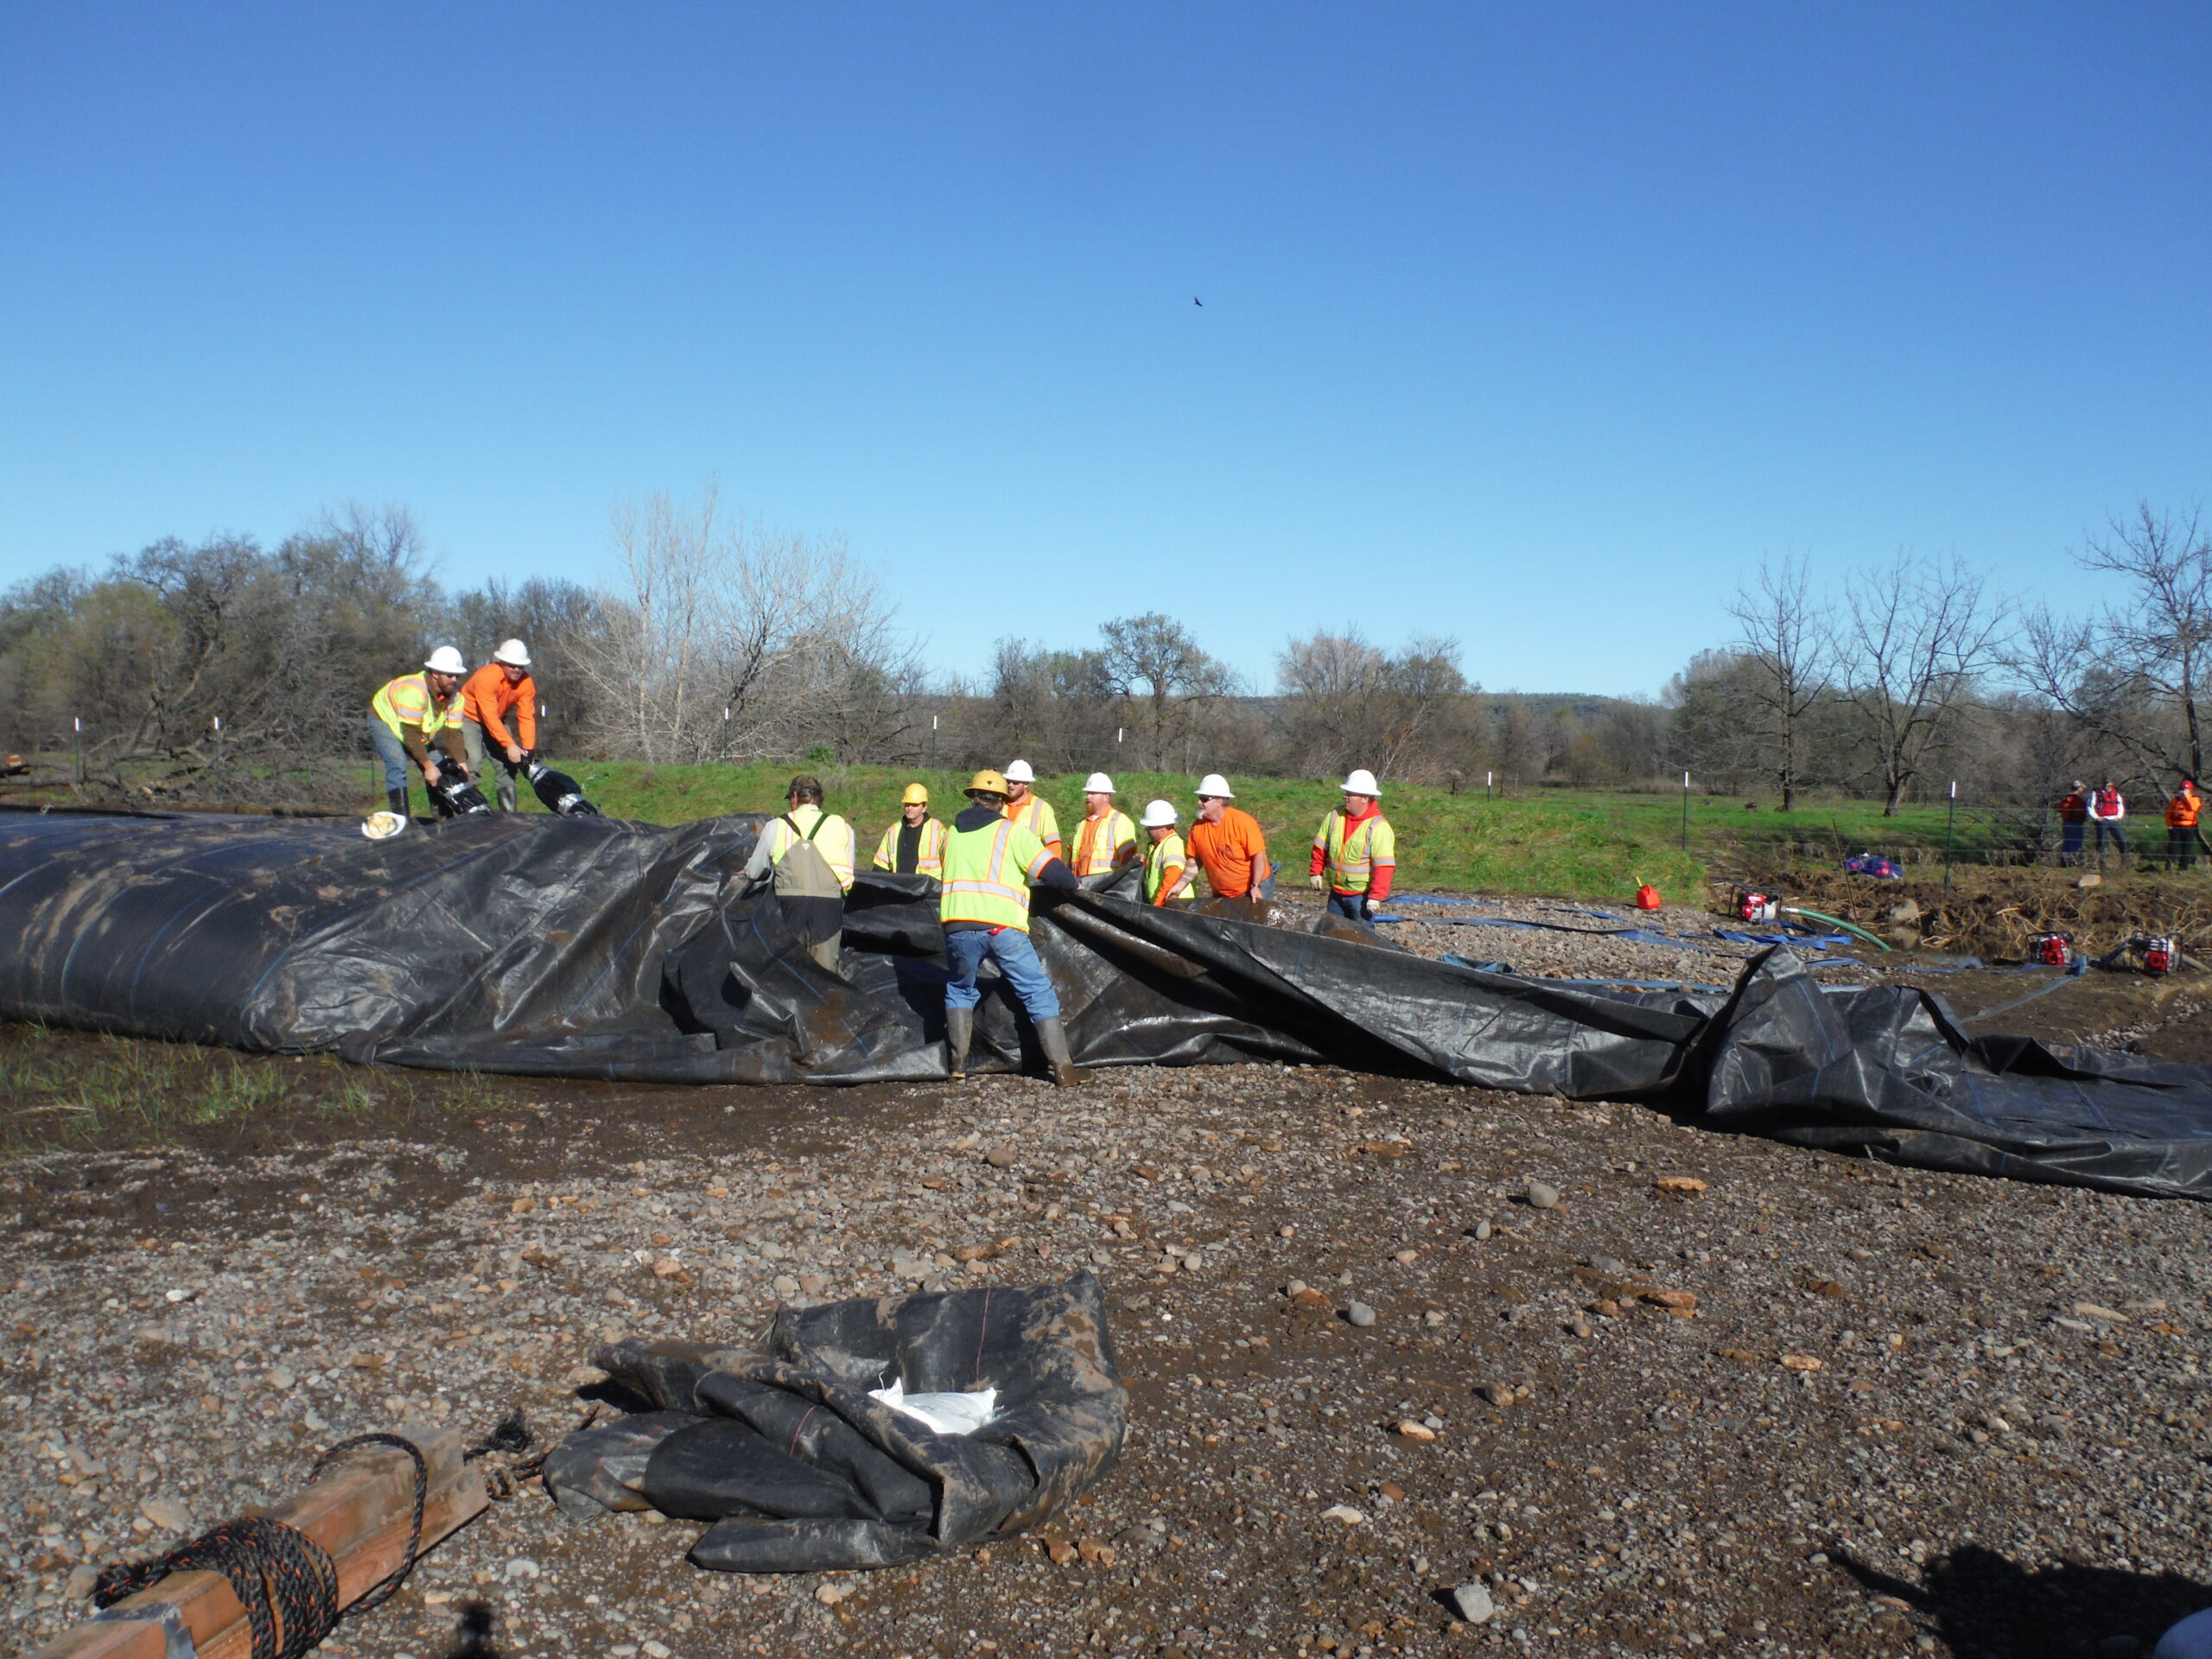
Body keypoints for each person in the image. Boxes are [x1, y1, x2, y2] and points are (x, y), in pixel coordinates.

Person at [939, 769, 1083, 1085]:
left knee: (960, 989)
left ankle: (958, 1065)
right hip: (1002, 927)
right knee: (1035, 991)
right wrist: (1074, 886)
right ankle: (1063, 1068)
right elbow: (1053, 873)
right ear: (1002, 802)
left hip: (957, 926)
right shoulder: (1011, 832)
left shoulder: (950, 833)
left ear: (973, 798)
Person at [744, 775, 858, 971]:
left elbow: (754, 872)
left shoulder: (775, 826)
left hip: (788, 908)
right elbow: (849, 871)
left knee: (789, 973)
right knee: (824, 975)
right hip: (828, 910)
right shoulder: (844, 828)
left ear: (795, 797)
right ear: (819, 799)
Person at [368, 646, 471, 818]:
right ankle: (401, 821)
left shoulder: (456, 698)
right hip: (384, 719)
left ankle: (443, 819)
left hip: (415, 730)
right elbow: (410, 735)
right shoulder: (414, 691)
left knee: (440, 768)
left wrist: (462, 763)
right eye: (449, 675)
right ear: (435, 673)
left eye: (457, 675)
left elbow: (454, 734)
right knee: (398, 764)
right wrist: (427, 766)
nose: (454, 680)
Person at [459, 639, 537, 812]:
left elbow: (526, 715)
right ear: (502, 662)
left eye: (520, 666)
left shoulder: (526, 683)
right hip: (469, 718)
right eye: (511, 665)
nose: (516, 669)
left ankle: (508, 815)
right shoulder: (486, 677)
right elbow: (488, 716)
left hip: (496, 719)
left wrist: (528, 748)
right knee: (474, 761)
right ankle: (471, 811)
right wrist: (509, 745)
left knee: (508, 764)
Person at [1309, 768, 1396, 921]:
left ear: (1365, 798)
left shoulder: (1379, 827)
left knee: (1362, 937)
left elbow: (1384, 866)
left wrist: (1376, 896)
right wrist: (1316, 871)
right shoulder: (1335, 816)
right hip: (1336, 893)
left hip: (1360, 897)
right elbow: (1320, 847)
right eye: (1346, 793)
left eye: (1351, 794)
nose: (1346, 797)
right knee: (1333, 933)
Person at [1185, 772, 1271, 900]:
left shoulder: (1242, 822)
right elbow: (1195, 861)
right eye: (1199, 797)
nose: (1199, 802)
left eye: (1204, 799)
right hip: (1222, 894)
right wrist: (1179, 886)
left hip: (1251, 889)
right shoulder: (1197, 826)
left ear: (1220, 800)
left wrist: (1256, 886)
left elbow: (1259, 855)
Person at [1066, 772, 1137, 879]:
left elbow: (1127, 861)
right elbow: (1073, 859)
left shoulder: (1120, 822)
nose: (1088, 797)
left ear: (1106, 796)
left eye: (1093, 793)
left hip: (1105, 888)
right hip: (1079, 887)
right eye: (1088, 793)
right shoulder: (1082, 824)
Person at [871, 782, 946, 876]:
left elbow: (948, 864)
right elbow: (880, 867)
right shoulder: (894, 830)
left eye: (914, 805)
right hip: (898, 888)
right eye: (907, 804)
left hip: (929, 889)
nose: (909, 808)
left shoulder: (937, 829)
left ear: (924, 807)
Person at [1001, 759, 1064, 862]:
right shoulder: (999, 805)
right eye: (1008, 781)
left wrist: (1052, 875)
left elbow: (1054, 845)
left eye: (1015, 782)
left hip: (1029, 870)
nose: (1010, 785)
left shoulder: (1042, 808)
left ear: (1026, 784)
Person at [1140, 799, 1195, 906]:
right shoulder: (1160, 844)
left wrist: (1158, 904)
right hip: (1170, 906)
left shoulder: (1173, 843)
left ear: (1162, 827)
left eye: (1150, 827)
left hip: (1176, 907)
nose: (1147, 830)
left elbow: (1172, 876)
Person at [2088, 777, 2128, 869]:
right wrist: (2096, 817)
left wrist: (2119, 816)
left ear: (2112, 784)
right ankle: (2101, 864)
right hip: (2103, 821)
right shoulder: (2096, 793)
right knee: (2101, 842)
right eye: (2106, 784)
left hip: (2114, 820)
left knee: (2122, 840)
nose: (2107, 786)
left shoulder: (2116, 794)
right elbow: (2090, 806)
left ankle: (2125, 863)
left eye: (2109, 784)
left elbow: (2120, 806)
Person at [2168, 779, 2202, 872]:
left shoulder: (2195, 799)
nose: (2183, 791)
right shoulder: (2175, 800)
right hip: (2176, 827)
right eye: (2182, 789)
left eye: (2186, 790)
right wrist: (2169, 825)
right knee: (2173, 846)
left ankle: (2183, 868)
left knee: (2187, 848)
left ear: (2190, 790)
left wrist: (2186, 798)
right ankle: (2169, 865)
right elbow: (2168, 814)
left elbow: (2193, 808)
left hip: (2189, 827)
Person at [2056, 780, 2088, 866]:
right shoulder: (2078, 800)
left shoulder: (2066, 797)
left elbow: (2059, 809)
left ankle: (2064, 863)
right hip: (2076, 823)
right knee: (2075, 844)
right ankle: (2071, 863)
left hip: (2066, 823)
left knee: (2067, 843)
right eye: (2081, 787)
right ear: (2078, 788)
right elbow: (2082, 812)